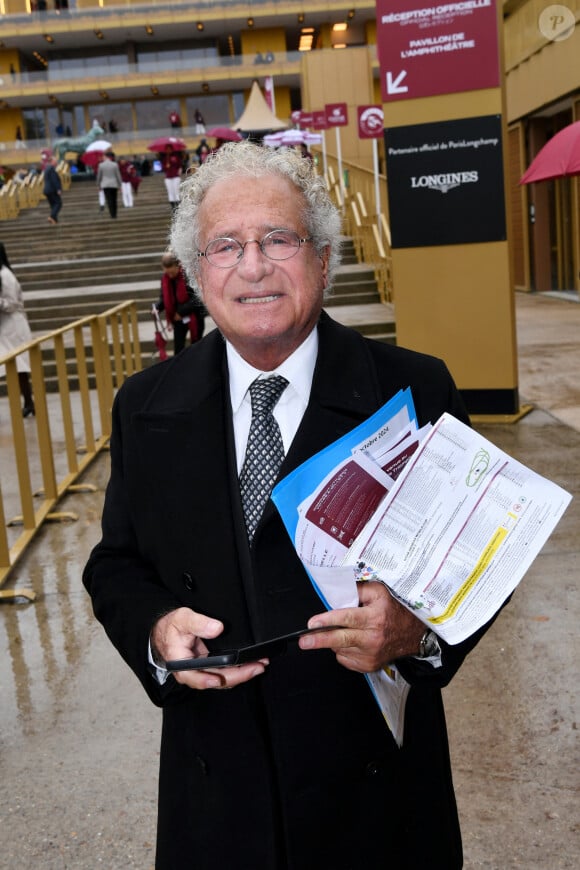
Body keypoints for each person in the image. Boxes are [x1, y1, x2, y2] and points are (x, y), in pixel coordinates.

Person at [83, 141, 502, 869]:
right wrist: (156, 631)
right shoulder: (145, 405)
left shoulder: (415, 391)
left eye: (279, 238)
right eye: (225, 246)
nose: (253, 266)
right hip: (216, 800)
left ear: (324, 256)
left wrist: (416, 632)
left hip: (377, 802)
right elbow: (115, 563)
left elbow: (481, 566)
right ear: (197, 272)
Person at [0, 243, 34, 417]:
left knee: (19, 366)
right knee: (16, 367)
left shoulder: (5, 275)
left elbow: (12, 303)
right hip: (6, 326)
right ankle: (28, 402)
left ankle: (28, 402)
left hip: (13, 326)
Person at [154, 249, 206, 354]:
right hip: (177, 320)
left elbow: (197, 297)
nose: (170, 276)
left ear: (178, 266)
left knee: (197, 347)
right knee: (178, 349)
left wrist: (181, 312)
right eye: (167, 273)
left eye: (172, 272)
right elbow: (164, 297)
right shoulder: (165, 279)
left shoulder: (188, 276)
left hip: (194, 317)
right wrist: (157, 307)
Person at [96, 150, 122, 219]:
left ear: (105, 157)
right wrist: (120, 184)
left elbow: (99, 176)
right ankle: (115, 213)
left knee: (109, 199)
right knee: (114, 199)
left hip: (105, 184)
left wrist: (98, 184)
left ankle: (112, 214)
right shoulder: (115, 164)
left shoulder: (101, 165)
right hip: (114, 184)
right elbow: (118, 175)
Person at [42, 153, 62, 225]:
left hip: (47, 190)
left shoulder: (47, 168)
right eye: (55, 161)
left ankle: (54, 220)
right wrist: (58, 189)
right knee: (58, 203)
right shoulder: (51, 169)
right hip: (52, 190)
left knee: (53, 205)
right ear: (52, 161)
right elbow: (54, 180)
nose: (56, 162)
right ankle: (52, 217)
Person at [161, 143, 181, 211]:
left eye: (170, 149)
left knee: (176, 191)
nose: (168, 150)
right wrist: (166, 166)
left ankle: (178, 206)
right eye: (167, 149)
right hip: (168, 177)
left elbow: (179, 164)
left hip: (175, 176)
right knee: (170, 191)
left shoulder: (176, 156)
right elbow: (163, 168)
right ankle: (173, 207)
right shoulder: (164, 158)